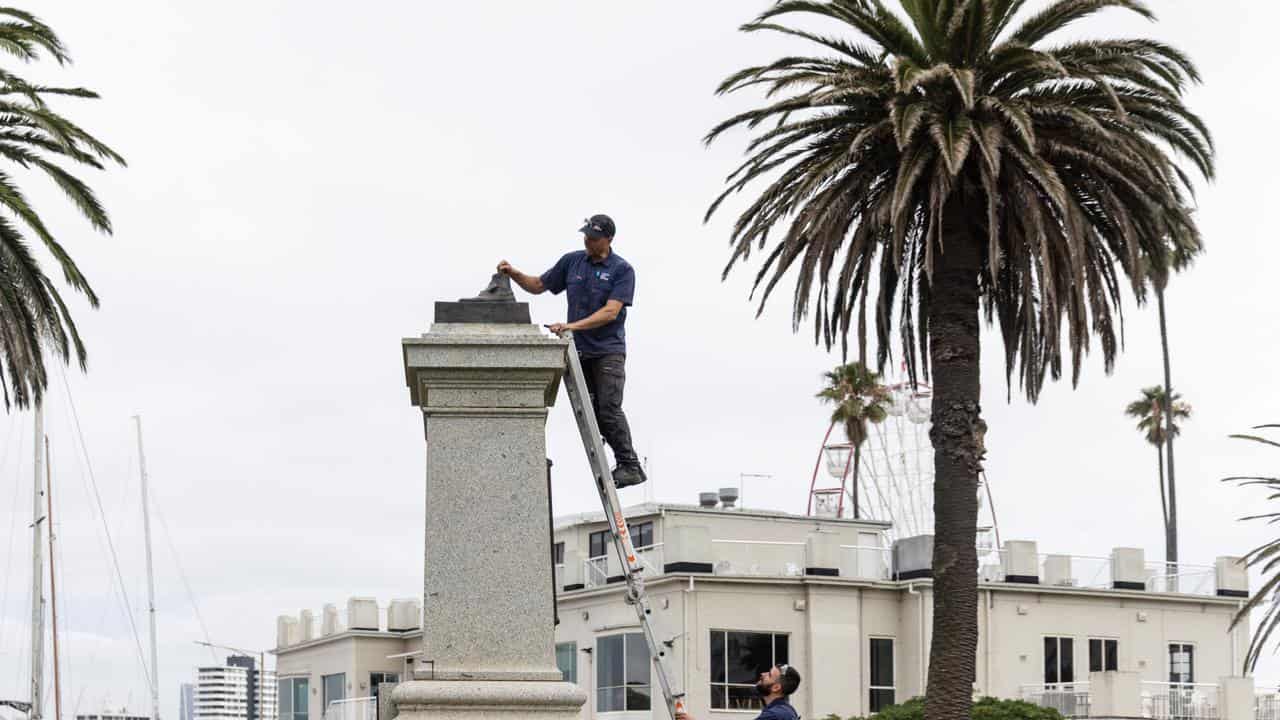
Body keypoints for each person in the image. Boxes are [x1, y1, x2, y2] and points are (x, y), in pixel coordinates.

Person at [497, 214, 646, 488]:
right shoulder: (573, 261)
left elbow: (611, 312)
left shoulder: (622, 270)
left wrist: (571, 326)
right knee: (592, 411)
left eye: (594, 237)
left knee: (608, 409)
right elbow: (539, 285)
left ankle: (630, 465)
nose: (588, 241)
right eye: (586, 236)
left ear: (609, 239)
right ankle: (611, 454)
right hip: (580, 353)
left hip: (607, 352)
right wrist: (514, 273)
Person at [676, 665, 802, 720]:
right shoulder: (785, 711)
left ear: (776, 688)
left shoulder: (775, 715)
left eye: (769, 675)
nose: (762, 674)